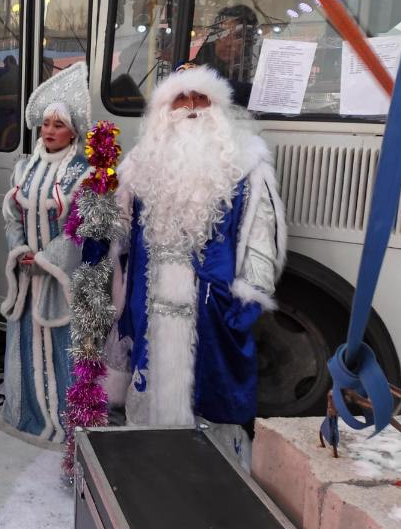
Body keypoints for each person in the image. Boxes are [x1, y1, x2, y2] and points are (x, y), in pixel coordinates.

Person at [109, 63, 286, 467]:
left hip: (211, 308)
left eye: (200, 98)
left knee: (209, 405)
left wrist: (241, 302)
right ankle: (151, 470)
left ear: (216, 105)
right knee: (150, 392)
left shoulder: (245, 163)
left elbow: (260, 239)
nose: (190, 108)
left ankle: (211, 483)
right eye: (180, 99)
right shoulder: (140, 165)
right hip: (151, 305)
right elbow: (121, 235)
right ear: (164, 108)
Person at [0, 62, 90, 448]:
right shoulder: (24, 167)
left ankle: (63, 420)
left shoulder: (83, 173)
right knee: (24, 345)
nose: (49, 131)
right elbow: (11, 214)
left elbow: (81, 226)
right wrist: (19, 250)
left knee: (60, 345)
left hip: (57, 279)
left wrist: (49, 259)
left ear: (72, 131)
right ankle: (25, 414)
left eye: (58, 124)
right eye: (46, 124)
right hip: (26, 277)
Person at [193, 5, 259, 106]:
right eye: (223, 34)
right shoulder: (194, 66)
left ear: (248, 41)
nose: (228, 43)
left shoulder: (255, 70)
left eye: (237, 36)